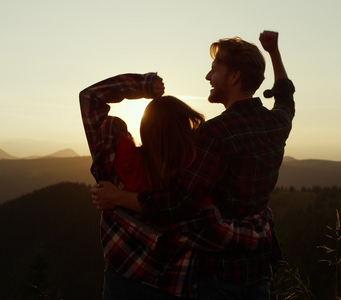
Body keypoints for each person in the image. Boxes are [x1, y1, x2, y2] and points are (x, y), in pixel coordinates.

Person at [94, 30, 295, 299]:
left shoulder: (215, 134)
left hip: (217, 275)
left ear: (235, 76)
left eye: (215, 69)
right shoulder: (276, 123)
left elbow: (178, 203)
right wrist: (274, 54)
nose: (208, 77)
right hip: (258, 269)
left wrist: (118, 197)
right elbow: (285, 97)